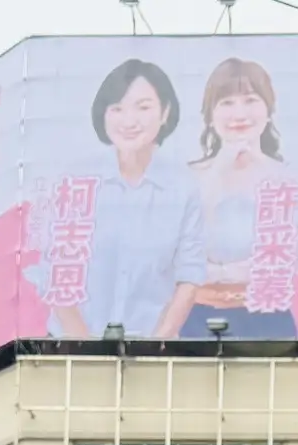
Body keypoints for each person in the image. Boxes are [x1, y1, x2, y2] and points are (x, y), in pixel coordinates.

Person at [48, 60, 204, 342]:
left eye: (143, 107)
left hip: (153, 354)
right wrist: (86, 349)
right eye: (117, 109)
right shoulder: (78, 181)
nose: (129, 121)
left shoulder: (183, 188)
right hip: (70, 353)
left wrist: (158, 342)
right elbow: (59, 274)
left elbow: (189, 278)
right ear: (103, 115)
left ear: (165, 112)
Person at [179, 58, 298, 341]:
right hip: (198, 314)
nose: (239, 113)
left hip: (269, 315)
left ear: (268, 110)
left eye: (250, 100)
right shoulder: (190, 177)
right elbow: (184, 252)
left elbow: (294, 254)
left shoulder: (287, 178)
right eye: (226, 103)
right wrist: (220, 168)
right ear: (210, 115)